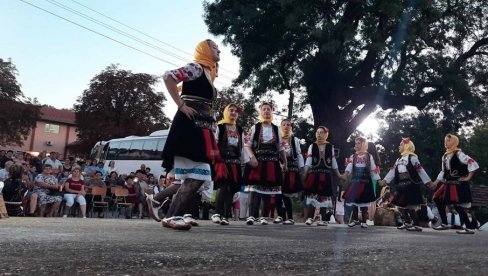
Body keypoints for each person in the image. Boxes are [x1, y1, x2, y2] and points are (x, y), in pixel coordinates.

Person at [160, 39, 221, 230]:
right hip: (189, 127)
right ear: (203, 50)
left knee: (198, 175)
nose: (219, 50)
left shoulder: (209, 74)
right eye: (214, 47)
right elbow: (168, 76)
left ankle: (171, 214)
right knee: (198, 175)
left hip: (200, 128)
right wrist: (180, 105)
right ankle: (172, 215)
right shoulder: (196, 68)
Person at [243, 102, 286, 225]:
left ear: (272, 112)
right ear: (260, 112)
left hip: (272, 162)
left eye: (269, 109)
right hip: (258, 162)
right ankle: (251, 216)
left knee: (268, 189)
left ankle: (264, 217)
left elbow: (280, 147)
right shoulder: (255, 127)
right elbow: (247, 144)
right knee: (254, 189)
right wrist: (252, 157)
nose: (266, 111)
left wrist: (285, 162)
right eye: (264, 109)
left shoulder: (276, 129)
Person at [379, 138, 432, 231]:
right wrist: (385, 181)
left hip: (410, 184)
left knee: (410, 205)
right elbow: (392, 171)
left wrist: (428, 181)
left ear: (407, 146)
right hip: (401, 184)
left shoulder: (412, 157)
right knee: (400, 205)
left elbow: (420, 170)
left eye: (401, 144)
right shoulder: (399, 159)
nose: (399, 146)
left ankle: (416, 225)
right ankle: (407, 222)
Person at [431, 134, 479, 234]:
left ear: (453, 142)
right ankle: (445, 223)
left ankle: (469, 227)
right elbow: (443, 171)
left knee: (456, 205)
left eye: (448, 140)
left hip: (457, 184)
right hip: (448, 183)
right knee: (437, 199)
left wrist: (468, 177)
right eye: (445, 140)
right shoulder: (444, 156)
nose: (445, 142)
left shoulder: (458, 154)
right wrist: (436, 182)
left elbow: (473, 163)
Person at [211, 103, 246, 226]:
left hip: (235, 162)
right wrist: (215, 158)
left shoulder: (240, 129)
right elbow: (214, 144)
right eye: (231, 110)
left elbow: (241, 148)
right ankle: (217, 213)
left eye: (235, 111)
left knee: (231, 190)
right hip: (222, 162)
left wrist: (243, 162)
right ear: (226, 112)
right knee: (223, 187)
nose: (233, 113)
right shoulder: (220, 127)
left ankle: (226, 216)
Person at [303, 127, 341, 226]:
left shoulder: (330, 147)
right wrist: (305, 172)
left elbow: (333, 162)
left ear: (326, 134)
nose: (319, 134)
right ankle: (310, 218)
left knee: (324, 196)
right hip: (314, 174)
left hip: (326, 174)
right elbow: (308, 160)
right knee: (313, 195)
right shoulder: (312, 146)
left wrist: (338, 174)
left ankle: (323, 219)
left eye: (321, 132)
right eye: (317, 132)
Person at [340, 137, 381, 228]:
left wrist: (379, 180)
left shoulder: (368, 156)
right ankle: (355, 220)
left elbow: (373, 170)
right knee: (354, 201)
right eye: (356, 143)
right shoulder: (353, 156)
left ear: (363, 144)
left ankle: (364, 221)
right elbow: (349, 167)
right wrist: (344, 175)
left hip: (365, 181)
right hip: (355, 181)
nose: (356, 145)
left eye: (358, 143)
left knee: (364, 202)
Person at [278, 119, 304, 225]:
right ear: (280, 126)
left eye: (288, 125)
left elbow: (298, 154)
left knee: (286, 194)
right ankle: (281, 216)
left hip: (291, 168)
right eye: (284, 124)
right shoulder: (277, 138)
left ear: (291, 127)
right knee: (277, 193)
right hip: (278, 166)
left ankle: (289, 217)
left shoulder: (295, 140)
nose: (286, 126)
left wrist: (301, 168)